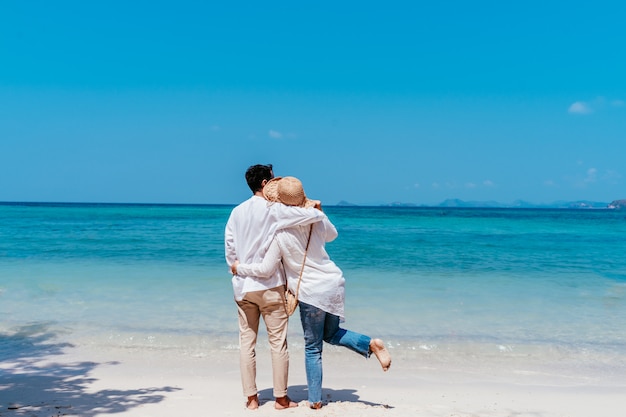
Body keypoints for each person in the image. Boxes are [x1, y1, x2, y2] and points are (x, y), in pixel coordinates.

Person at [231, 176, 391, 410]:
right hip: (334, 282)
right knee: (332, 333)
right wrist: (318, 211)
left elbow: (265, 269)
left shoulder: (280, 232)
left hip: (310, 291)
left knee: (313, 346)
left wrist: (239, 268)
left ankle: (315, 399)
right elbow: (332, 235)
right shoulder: (317, 218)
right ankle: (370, 344)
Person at [225, 164, 325, 410]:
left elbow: (230, 251)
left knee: (246, 343)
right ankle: (281, 398)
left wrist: (237, 268)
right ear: (264, 184)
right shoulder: (275, 210)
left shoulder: (236, 212)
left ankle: (251, 399)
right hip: (271, 285)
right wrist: (314, 207)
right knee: (277, 343)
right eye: (272, 180)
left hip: (244, 288)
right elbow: (313, 217)